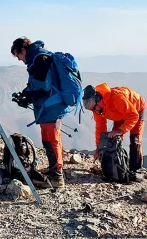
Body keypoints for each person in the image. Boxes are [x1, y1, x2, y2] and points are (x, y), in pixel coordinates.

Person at [10, 37, 70, 188]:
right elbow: (40, 84)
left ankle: (57, 178)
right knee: (51, 139)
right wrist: (27, 95)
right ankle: (55, 171)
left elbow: (42, 87)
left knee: (51, 140)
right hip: (52, 104)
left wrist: (27, 96)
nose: (20, 60)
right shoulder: (39, 57)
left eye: (18, 56)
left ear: (23, 50)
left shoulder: (39, 58)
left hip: (51, 105)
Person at [82, 83, 146, 182]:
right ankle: (117, 166)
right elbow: (100, 128)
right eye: (88, 106)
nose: (93, 110)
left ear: (98, 99)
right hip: (120, 113)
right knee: (114, 139)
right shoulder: (97, 109)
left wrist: (121, 130)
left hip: (136, 110)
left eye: (92, 105)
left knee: (135, 139)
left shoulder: (116, 99)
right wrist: (99, 147)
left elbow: (133, 115)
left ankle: (136, 169)